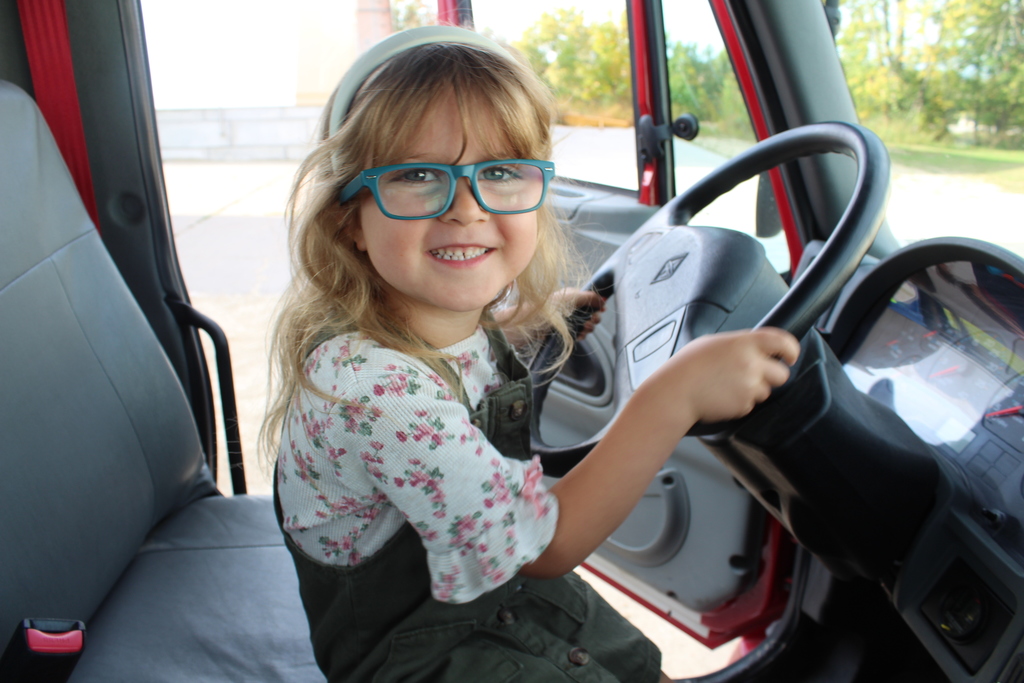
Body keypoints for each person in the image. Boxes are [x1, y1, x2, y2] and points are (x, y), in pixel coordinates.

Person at [262, 25, 800, 683]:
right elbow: (550, 543)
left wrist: (525, 325)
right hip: (425, 652)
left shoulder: (430, 321)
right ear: (351, 216)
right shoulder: (374, 390)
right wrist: (675, 395)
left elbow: (460, 355)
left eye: (502, 173)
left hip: (484, 595)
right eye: (418, 175)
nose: (465, 209)